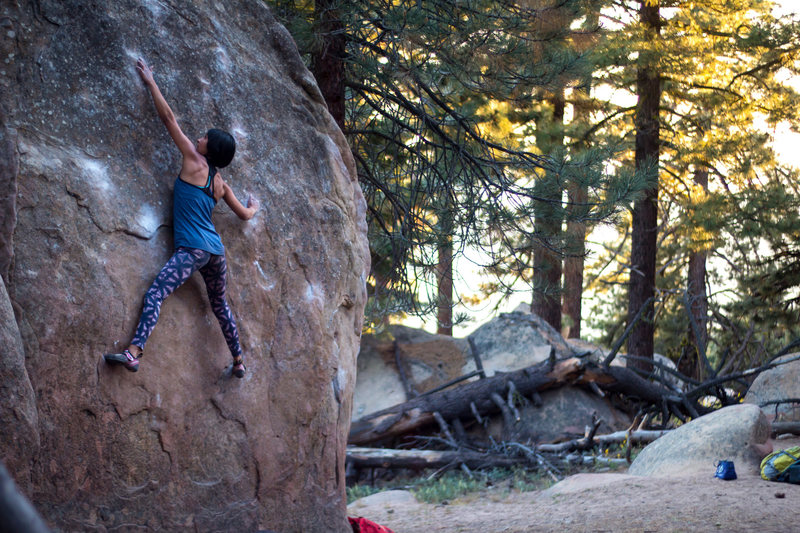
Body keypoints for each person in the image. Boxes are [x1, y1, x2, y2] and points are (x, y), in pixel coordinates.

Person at [103, 57, 259, 378]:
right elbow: (244, 215)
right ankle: (239, 360)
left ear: (207, 150)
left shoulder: (193, 160)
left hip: (192, 250)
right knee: (220, 305)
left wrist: (150, 82)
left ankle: (133, 353)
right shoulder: (219, 183)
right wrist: (253, 205)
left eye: (204, 137)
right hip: (215, 252)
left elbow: (169, 119)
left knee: (156, 292)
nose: (199, 137)